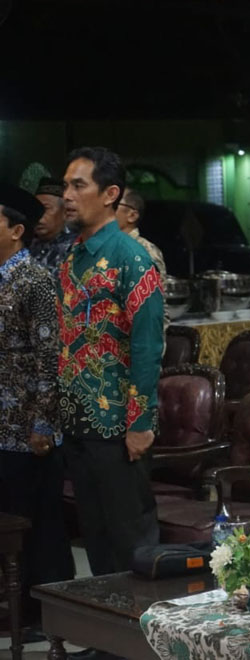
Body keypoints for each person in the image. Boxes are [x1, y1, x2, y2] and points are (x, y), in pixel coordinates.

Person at [58, 147, 164, 576]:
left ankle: (140, 620)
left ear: (110, 194)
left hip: (118, 425)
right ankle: (104, 621)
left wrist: (141, 422)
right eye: (66, 186)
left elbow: (147, 345)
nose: (67, 195)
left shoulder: (131, 258)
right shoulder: (72, 256)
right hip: (77, 421)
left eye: (78, 185)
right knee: (96, 539)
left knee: (131, 541)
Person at [0, 184, 75, 634]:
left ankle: (49, 615)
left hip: (28, 424)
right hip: (0, 424)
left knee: (39, 525)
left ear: (16, 230)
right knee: (10, 522)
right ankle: (17, 608)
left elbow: (51, 358)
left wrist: (44, 424)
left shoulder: (34, 280)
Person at [29, 176, 76, 276]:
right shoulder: (27, 242)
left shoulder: (74, 248)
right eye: (35, 209)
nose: (38, 216)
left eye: (46, 209)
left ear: (64, 212)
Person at [116, 188, 167, 280]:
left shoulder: (146, 250)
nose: (106, 210)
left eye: (114, 205)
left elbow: (154, 287)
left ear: (132, 216)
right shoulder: (102, 246)